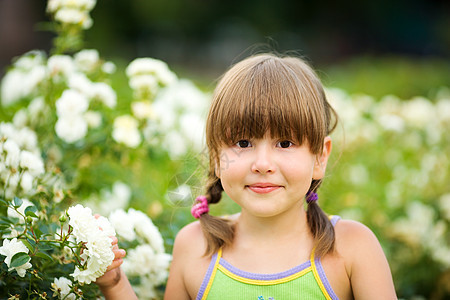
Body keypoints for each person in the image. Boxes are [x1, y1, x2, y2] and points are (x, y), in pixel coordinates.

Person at [96, 53, 397, 299]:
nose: (262, 163)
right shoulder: (195, 247)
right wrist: (115, 284)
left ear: (320, 157)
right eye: (243, 143)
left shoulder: (352, 248)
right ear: (215, 156)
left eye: (285, 143)